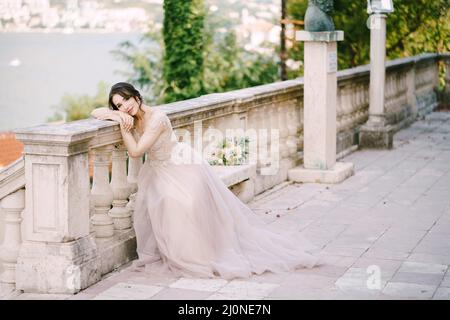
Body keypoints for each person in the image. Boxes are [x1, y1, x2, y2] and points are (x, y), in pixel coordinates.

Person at [91, 82, 319, 280]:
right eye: (119, 105)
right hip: (158, 171)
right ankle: (179, 253)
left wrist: (122, 124)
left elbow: (136, 152)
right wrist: (114, 114)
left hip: (180, 166)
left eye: (127, 101)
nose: (125, 107)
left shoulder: (157, 118)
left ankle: (202, 255)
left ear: (137, 97)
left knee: (185, 202)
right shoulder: (129, 116)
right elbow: (95, 112)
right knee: (162, 205)